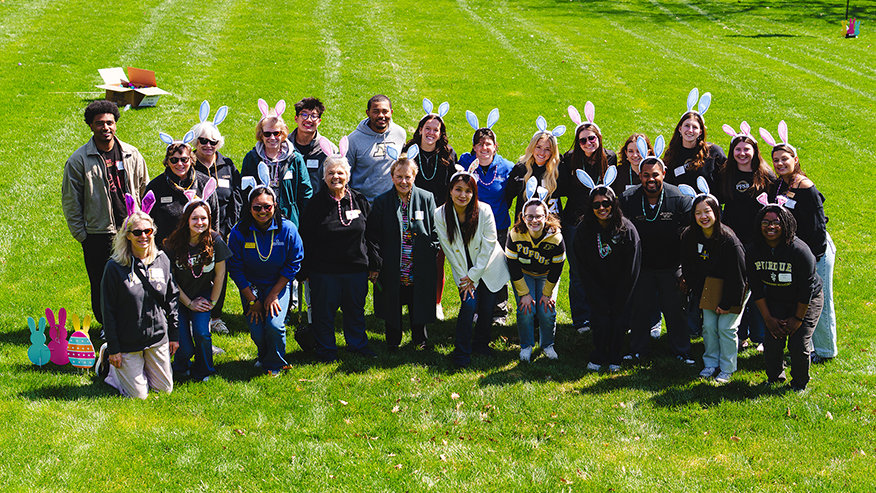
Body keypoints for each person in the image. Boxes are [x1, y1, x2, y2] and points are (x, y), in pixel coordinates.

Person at [62, 100, 149, 324]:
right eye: (99, 123)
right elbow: (71, 202)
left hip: (132, 229)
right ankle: (106, 325)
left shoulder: (131, 153)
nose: (106, 127)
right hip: (98, 234)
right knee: (102, 283)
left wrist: (143, 220)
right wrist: (82, 235)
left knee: (136, 276)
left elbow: (144, 187)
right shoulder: (78, 160)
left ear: (116, 124)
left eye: (110, 122)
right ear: (90, 126)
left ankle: (133, 320)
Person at [763, 122, 836, 364]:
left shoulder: (806, 186)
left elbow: (817, 226)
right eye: (776, 160)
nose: (780, 163)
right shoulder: (781, 183)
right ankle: (808, 345)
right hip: (796, 252)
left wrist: (814, 257)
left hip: (816, 251)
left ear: (795, 159)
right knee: (800, 299)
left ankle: (826, 351)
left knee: (820, 298)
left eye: (785, 159)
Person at [298, 149, 378, 362]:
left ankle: (358, 345)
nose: (336, 177)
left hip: (355, 270)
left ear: (348, 176)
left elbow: (371, 234)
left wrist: (374, 264)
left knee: (355, 312)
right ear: (324, 176)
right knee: (324, 314)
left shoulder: (359, 201)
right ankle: (326, 350)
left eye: (341, 172)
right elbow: (305, 238)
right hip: (324, 272)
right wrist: (305, 270)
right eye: (331, 172)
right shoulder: (315, 205)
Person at [620, 136, 695, 363]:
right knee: (640, 311)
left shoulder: (679, 199)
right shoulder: (628, 198)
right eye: (645, 175)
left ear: (663, 174)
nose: (650, 179)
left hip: (671, 266)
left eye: (655, 175)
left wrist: (684, 270)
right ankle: (638, 350)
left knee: (675, 311)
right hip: (642, 267)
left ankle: (681, 351)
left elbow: (691, 238)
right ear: (639, 176)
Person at [98, 208, 178, 399]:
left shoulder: (162, 260)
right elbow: (107, 311)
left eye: (148, 231)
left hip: (157, 338)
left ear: (153, 232)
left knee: (164, 390)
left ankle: (137, 368)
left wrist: (173, 334)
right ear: (128, 236)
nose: (143, 236)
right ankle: (108, 363)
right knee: (138, 396)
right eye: (137, 232)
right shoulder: (115, 267)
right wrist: (115, 347)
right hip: (127, 341)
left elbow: (172, 299)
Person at [366, 148, 439, 351]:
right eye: (399, 177)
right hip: (392, 264)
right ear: (391, 177)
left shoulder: (426, 198)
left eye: (408, 176)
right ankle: (393, 339)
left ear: (414, 176)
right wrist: (377, 262)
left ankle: (420, 338)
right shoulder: (381, 202)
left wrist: (431, 251)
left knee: (419, 299)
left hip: (419, 263)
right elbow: (373, 235)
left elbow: (435, 230)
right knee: (392, 301)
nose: (403, 181)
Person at [227, 184, 304, 376]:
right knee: (257, 331)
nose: (262, 211)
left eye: (267, 206)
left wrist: (274, 294)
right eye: (257, 207)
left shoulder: (288, 229)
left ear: (275, 206)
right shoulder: (239, 232)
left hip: (278, 284)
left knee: (275, 325)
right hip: (250, 287)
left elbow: (295, 261)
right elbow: (234, 268)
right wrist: (252, 300)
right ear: (249, 208)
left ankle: (275, 364)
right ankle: (263, 356)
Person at [435, 172, 509, 367]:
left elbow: (490, 245)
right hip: (463, 270)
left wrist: (473, 275)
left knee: (486, 308)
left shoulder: (484, 210)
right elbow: (449, 251)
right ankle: (462, 351)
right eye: (458, 189)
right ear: (450, 191)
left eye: (468, 191)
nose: (463, 195)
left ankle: (481, 344)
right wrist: (465, 278)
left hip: (489, 267)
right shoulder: (440, 214)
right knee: (468, 305)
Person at [747, 205, 823, 391]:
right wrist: (768, 318)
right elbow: (756, 288)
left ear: (786, 224)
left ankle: (799, 384)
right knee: (772, 341)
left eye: (775, 222)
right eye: (765, 222)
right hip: (776, 299)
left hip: (807, 299)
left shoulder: (800, 251)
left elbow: (806, 289)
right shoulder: (753, 250)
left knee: (798, 343)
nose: (770, 227)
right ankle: (774, 378)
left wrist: (797, 319)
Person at [714, 123, 775, 352]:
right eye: (737, 150)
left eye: (746, 150)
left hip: (758, 239)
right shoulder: (726, 175)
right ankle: (740, 334)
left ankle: (761, 336)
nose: (742, 154)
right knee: (739, 286)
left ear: (754, 152)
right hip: (733, 239)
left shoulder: (766, 176)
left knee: (759, 287)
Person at [573, 170, 641, 372]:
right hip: (597, 287)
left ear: (614, 204)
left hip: (622, 287)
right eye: (596, 205)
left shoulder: (627, 229)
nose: (602, 208)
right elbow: (582, 267)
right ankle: (599, 354)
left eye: (606, 203)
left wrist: (622, 294)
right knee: (600, 321)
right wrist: (596, 293)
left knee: (619, 323)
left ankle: (615, 356)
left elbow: (633, 266)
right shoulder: (583, 231)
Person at [559, 104, 616, 333]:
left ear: (599, 137)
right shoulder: (570, 159)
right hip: (575, 222)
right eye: (582, 140)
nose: (587, 144)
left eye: (591, 138)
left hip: (604, 222)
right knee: (579, 272)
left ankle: (602, 312)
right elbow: (561, 189)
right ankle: (581, 319)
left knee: (603, 269)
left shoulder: (609, 158)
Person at [164, 193, 231, 382]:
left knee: (202, 333)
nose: (199, 222)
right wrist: (189, 303)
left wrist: (212, 302)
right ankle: (181, 366)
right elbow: (171, 281)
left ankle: (205, 370)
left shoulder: (215, 241)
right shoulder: (173, 244)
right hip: (178, 298)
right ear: (186, 220)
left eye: (204, 218)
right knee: (184, 347)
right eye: (195, 218)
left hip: (202, 295)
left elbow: (220, 274)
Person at [680, 194, 747, 384]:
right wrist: (700, 292)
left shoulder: (729, 240)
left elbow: (738, 275)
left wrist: (728, 302)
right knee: (709, 327)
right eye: (698, 212)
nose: (703, 217)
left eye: (707, 211)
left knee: (726, 328)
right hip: (709, 289)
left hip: (734, 287)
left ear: (716, 212)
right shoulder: (689, 236)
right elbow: (689, 267)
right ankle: (710, 363)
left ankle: (727, 367)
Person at [189, 103, 242, 334]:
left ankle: (216, 317)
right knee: (197, 273)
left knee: (220, 274)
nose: (208, 146)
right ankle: (194, 316)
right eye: (203, 141)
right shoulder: (189, 166)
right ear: (195, 142)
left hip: (223, 233)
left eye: (213, 141)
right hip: (197, 231)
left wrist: (230, 228)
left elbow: (238, 198)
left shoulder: (227, 166)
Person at [403, 101, 458, 321]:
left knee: (437, 261)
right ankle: (411, 300)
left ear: (440, 133)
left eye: (436, 129)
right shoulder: (409, 152)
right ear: (420, 130)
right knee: (410, 258)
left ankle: (435, 302)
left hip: (440, 215)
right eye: (428, 128)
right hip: (412, 211)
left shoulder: (448, 153)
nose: (431, 133)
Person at [458, 110, 514, 323]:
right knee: (473, 267)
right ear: (473, 148)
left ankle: (499, 311)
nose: (484, 148)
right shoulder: (466, 163)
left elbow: (512, 192)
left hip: (498, 227)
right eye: (479, 144)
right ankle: (475, 308)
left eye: (488, 144)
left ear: (495, 146)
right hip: (470, 226)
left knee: (497, 268)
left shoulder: (506, 167)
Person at [506, 183, 566, 362]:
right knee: (526, 309)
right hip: (524, 273)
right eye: (530, 216)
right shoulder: (515, 234)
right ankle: (526, 345)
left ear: (546, 216)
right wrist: (524, 293)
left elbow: (557, 268)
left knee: (546, 310)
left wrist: (547, 293)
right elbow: (513, 266)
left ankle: (547, 344)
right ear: (523, 217)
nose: (534, 220)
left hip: (547, 275)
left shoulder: (555, 236)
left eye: (538, 216)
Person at [240, 99, 313, 227]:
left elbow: (306, 193)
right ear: (261, 135)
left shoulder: (294, 158)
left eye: (276, 133)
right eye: (267, 134)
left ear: (283, 134)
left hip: (288, 221)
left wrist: (300, 219)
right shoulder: (251, 158)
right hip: (258, 220)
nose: (272, 138)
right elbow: (243, 192)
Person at [144, 136, 218, 249]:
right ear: (167, 161)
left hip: (199, 249)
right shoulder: (155, 187)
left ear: (191, 160)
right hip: (166, 251)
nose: (179, 164)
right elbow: (146, 221)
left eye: (184, 159)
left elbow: (215, 218)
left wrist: (213, 245)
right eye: (174, 160)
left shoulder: (205, 183)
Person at [662, 89, 726, 192]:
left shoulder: (714, 153)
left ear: (700, 132)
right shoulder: (671, 154)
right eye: (687, 126)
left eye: (695, 127)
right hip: (682, 207)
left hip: (708, 207)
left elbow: (727, 181)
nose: (690, 130)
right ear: (680, 128)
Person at [347, 94, 407, 202]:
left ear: (391, 112)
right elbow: (345, 173)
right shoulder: (353, 140)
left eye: (385, 111)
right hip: (362, 204)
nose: (381, 115)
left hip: (391, 202)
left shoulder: (400, 134)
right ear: (368, 113)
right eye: (375, 111)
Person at [505, 120, 563, 218]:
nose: (542, 152)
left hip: (552, 224)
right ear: (532, 147)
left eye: (547, 149)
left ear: (553, 151)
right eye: (538, 147)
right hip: (526, 223)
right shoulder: (521, 169)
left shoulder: (558, 168)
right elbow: (508, 196)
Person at [290, 97, 334, 195]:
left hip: (318, 207)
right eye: (304, 115)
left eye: (314, 116)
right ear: (296, 118)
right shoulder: (284, 146)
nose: (309, 120)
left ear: (319, 121)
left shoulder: (328, 150)